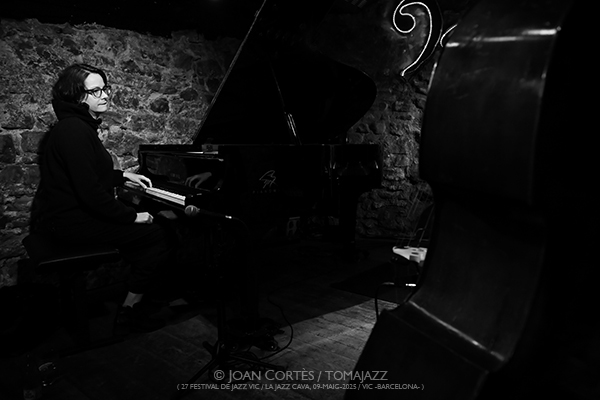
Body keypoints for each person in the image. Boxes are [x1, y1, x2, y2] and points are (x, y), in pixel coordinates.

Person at [31, 63, 171, 332]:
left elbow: (89, 174)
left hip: (69, 219)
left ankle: (141, 289)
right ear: (76, 96)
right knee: (157, 234)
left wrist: (123, 176)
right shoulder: (74, 130)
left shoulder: (76, 126)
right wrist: (132, 216)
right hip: (72, 224)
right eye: (95, 91)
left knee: (145, 229)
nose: (105, 95)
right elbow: (90, 193)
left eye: (105, 88)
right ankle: (129, 310)